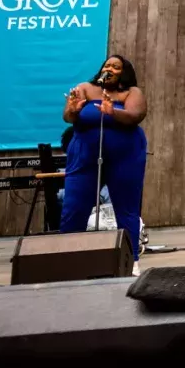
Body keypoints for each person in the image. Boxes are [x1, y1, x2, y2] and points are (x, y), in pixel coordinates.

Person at [61, 55, 148, 273]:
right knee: (74, 207)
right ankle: (67, 259)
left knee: (126, 208)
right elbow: (68, 117)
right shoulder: (85, 88)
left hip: (125, 156)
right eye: (107, 65)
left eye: (115, 67)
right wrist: (72, 109)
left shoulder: (131, 92)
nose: (109, 68)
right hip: (85, 156)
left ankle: (131, 260)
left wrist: (113, 112)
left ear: (124, 73)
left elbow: (135, 115)